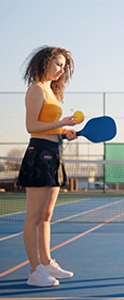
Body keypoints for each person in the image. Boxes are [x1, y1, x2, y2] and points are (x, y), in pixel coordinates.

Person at [17, 46, 83, 287]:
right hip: (39, 154)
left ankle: (46, 263)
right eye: (57, 63)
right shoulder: (36, 90)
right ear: (44, 62)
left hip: (54, 152)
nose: (61, 69)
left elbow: (49, 126)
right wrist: (60, 122)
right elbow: (31, 126)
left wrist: (64, 131)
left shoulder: (51, 92)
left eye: (64, 65)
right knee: (33, 218)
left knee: (46, 216)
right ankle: (34, 271)